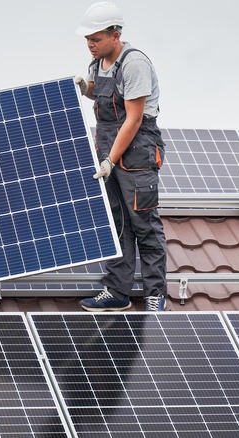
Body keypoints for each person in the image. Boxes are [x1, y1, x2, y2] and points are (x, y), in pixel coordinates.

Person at [75, 2, 168, 312]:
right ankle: (117, 291)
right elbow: (99, 93)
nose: (90, 44)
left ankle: (155, 293)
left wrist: (111, 160)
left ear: (115, 35)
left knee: (144, 223)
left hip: (136, 152)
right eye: (87, 39)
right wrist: (85, 87)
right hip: (108, 151)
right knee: (115, 223)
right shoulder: (97, 62)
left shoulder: (134, 64)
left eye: (96, 38)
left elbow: (133, 119)